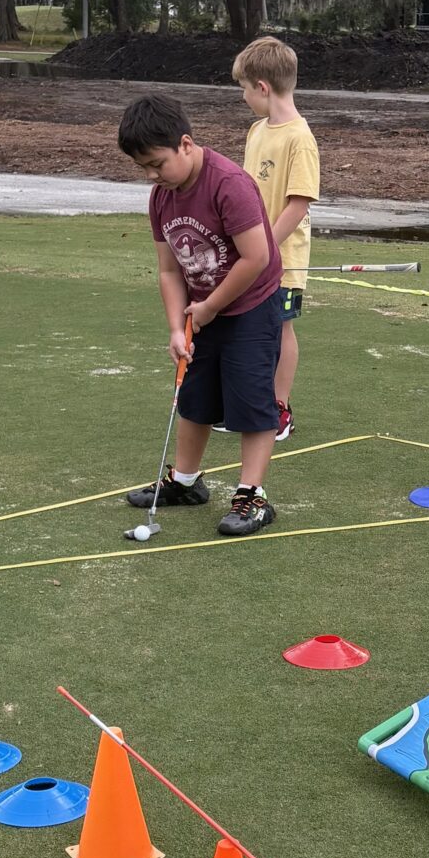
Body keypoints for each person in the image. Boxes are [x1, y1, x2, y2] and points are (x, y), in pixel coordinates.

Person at [118, 92, 283, 537]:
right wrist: (177, 327)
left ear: (186, 144)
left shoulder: (228, 184)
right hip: (201, 310)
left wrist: (210, 306)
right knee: (195, 397)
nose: (152, 175)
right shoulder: (162, 197)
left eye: (157, 163)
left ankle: (252, 495)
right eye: (143, 168)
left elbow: (256, 257)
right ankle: (187, 482)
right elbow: (169, 269)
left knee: (250, 401)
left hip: (250, 305)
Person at [234, 35, 320, 441]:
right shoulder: (256, 131)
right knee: (250, 329)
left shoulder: (299, 138)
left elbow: (297, 205)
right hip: (252, 257)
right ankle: (250, 404)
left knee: (280, 329)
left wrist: (264, 248)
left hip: (283, 260)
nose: (244, 96)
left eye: (244, 89)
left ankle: (279, 408)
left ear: (262, 87)